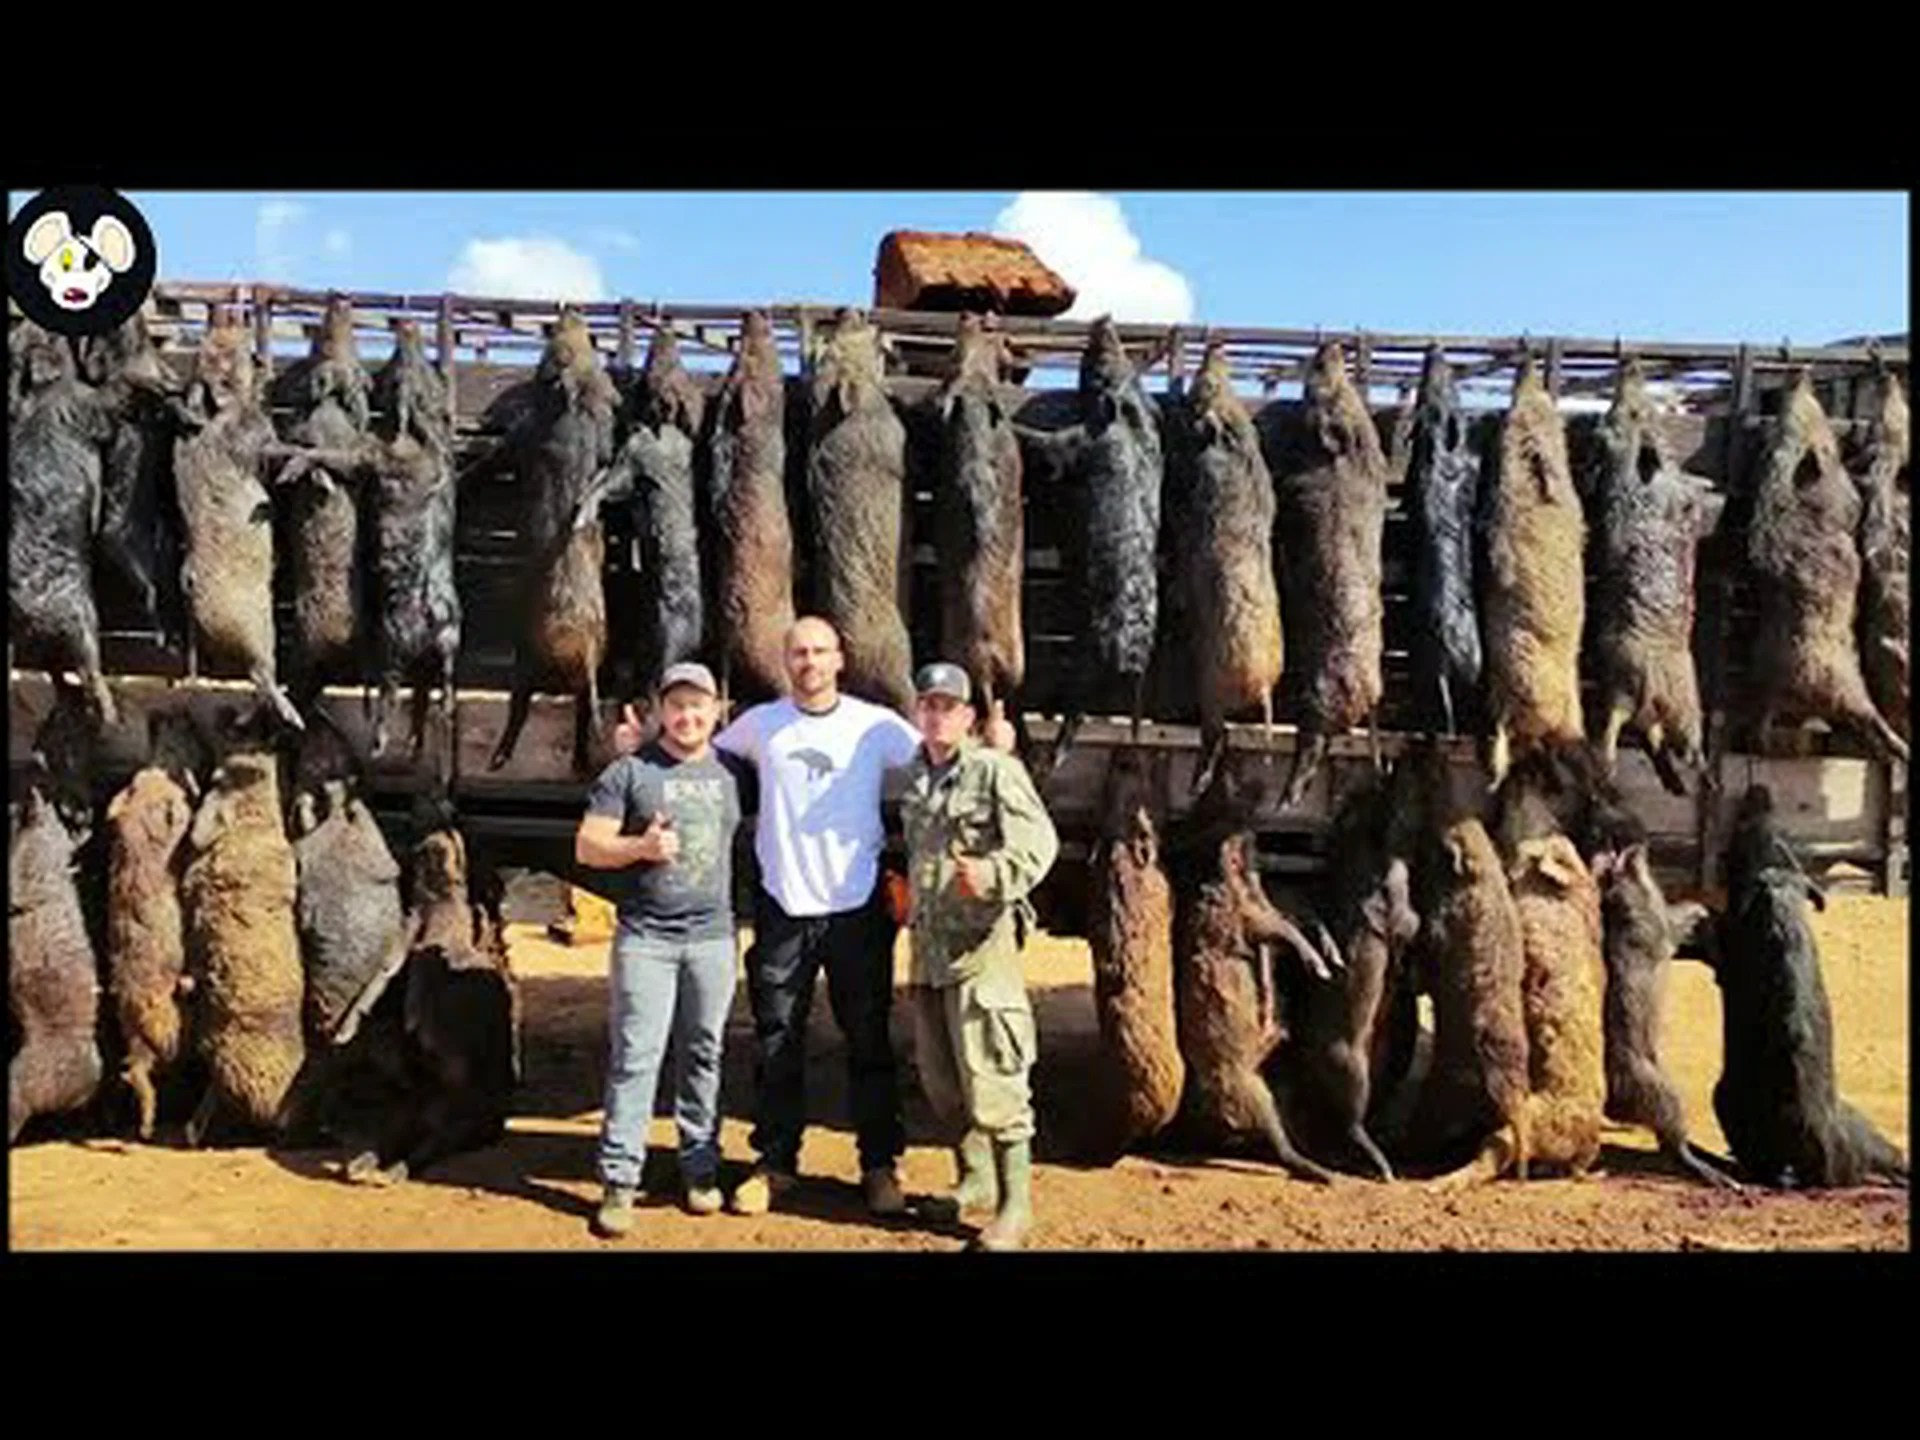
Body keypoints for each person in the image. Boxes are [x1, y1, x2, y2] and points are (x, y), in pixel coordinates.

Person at [576, 661, 752, 1240]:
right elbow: (588, 847)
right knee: (637, 1057)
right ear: (660, 711)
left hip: (712, 937)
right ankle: (620, 1181)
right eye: (676, 705)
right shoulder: (630, 772)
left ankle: (700, 1170)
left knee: (703, 1053)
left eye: (698, 704)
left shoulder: (735, 773)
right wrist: (640, 847)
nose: (687, 715)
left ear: (717, 710)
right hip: (647, 938)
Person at [898, 662, 1058, 1250]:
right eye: (928, 704)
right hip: (929, 950)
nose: (937, 714)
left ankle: (1016, 1207)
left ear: (967, 717)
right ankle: (975, 1181)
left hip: (981, 951)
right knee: (944, 1081)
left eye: (948, 705)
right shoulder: (917, 778)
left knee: (995, 1076)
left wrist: (993, 874)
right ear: (918, 713)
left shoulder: (994, 771)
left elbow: (1039, 843)